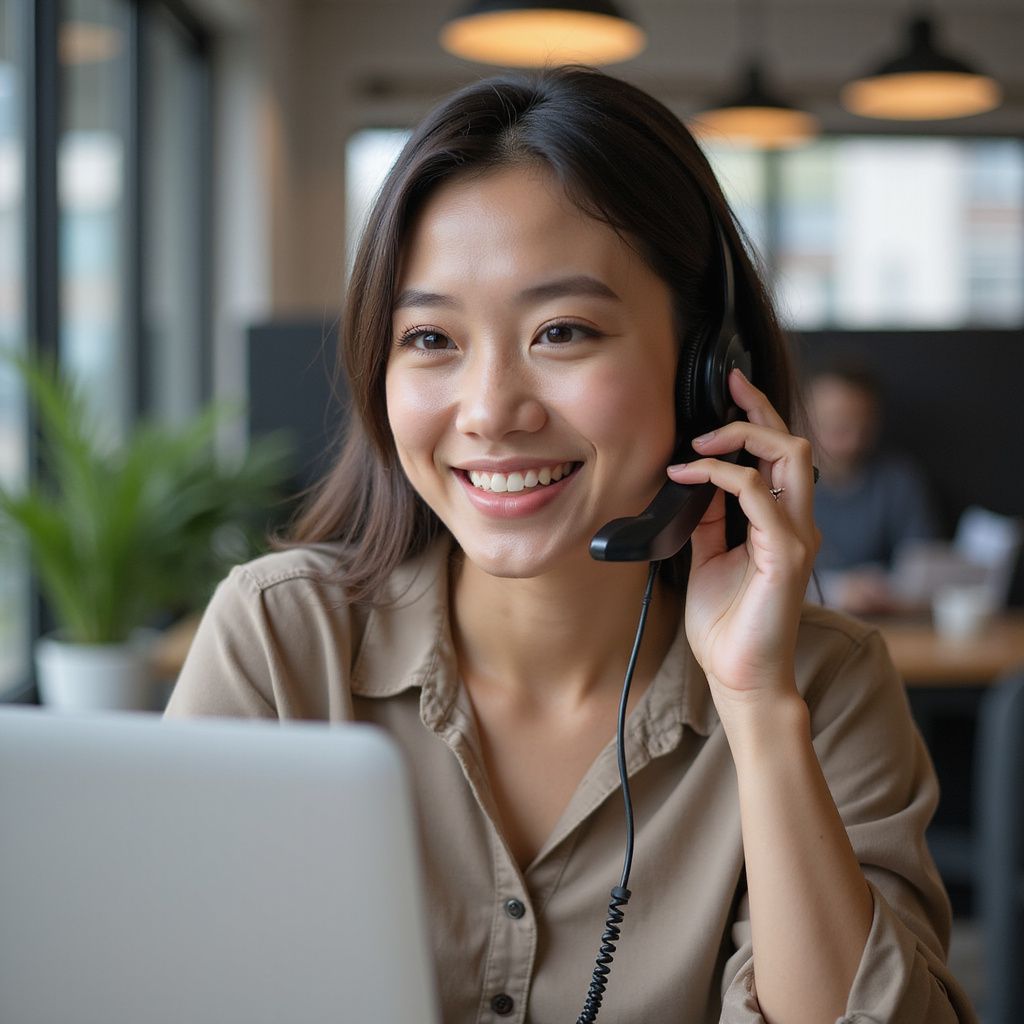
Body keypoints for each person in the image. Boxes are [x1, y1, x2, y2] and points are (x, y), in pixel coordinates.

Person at [166, 68, 976, 1024]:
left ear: (706, 375)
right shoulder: (280, 642)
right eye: (430, 338)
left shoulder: (823, 685)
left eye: (562, 331)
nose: (490, 411)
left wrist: (758, 711)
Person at [805, 360, 941, 615]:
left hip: (885, 623)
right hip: (804, 626)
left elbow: (923, 567)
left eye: (864, 427)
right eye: (839, 426)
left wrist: (882, 590)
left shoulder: (898, 479)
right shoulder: (779, 483)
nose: (853, 441)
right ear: (805, 417)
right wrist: (837, 590)